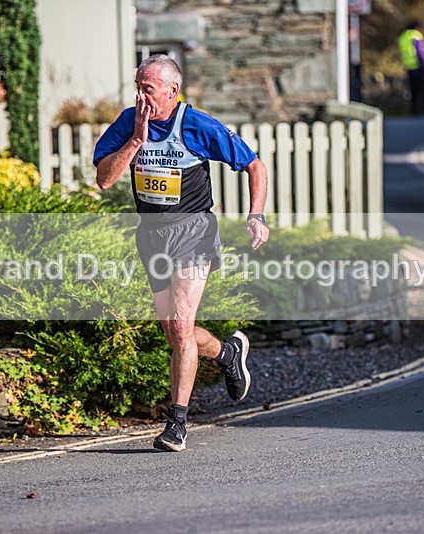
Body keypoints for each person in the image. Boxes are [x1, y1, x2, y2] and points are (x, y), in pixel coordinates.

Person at [93, 55, 270, 451]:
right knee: (174, 331)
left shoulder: (197, 125)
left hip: (193, 232)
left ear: (172, 91)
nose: (141, 96)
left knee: (182, 326)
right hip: (152, 236)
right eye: (138, 87)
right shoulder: (128, 121)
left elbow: (254, 164)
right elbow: (104, 180)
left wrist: (255, 215)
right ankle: (227, 352)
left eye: (148, 89)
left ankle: (177, 423)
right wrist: (136, 139)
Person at [398, 20, 424, 116]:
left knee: (413, 91)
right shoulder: (415, 35)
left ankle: (415, 111)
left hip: (409, 67)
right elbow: (420, 52)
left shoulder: (403, 37)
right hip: (418, 67)